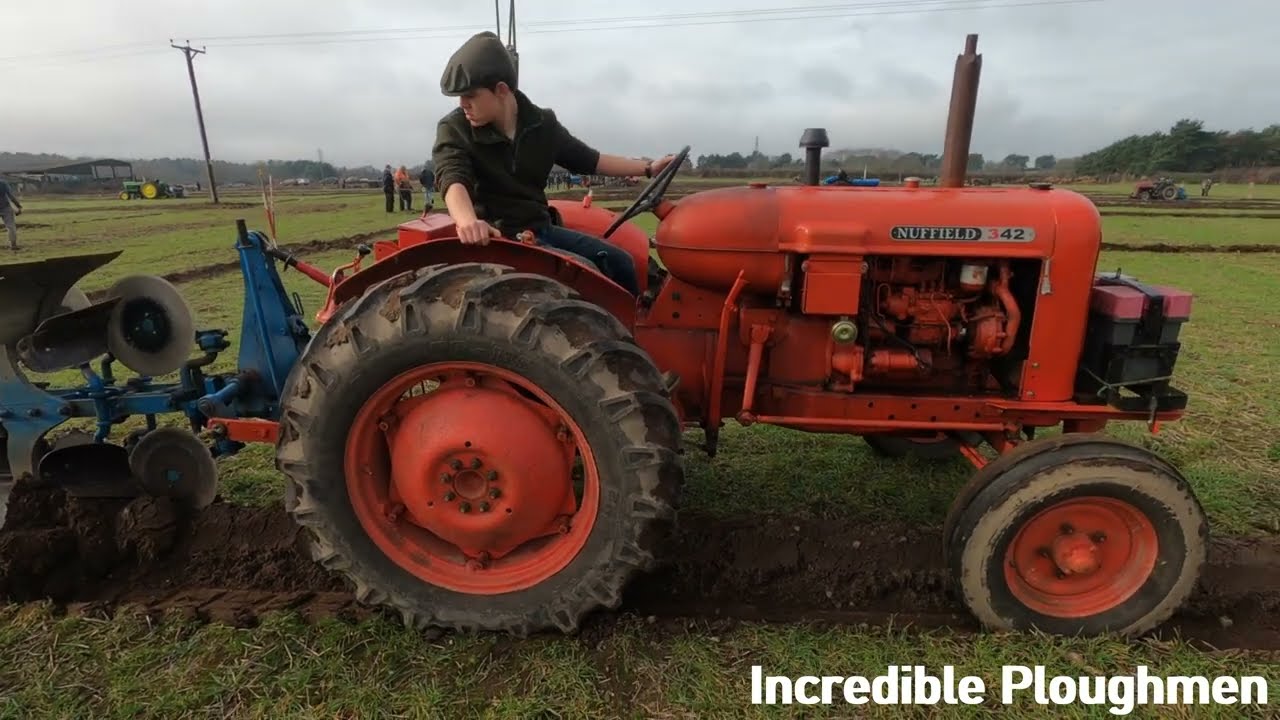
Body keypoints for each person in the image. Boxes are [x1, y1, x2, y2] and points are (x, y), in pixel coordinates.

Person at [431, 31, 675, 295]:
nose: (463, 104)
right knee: (586, 275)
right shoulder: (455, 127)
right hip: (497, 237)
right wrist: (468, 221)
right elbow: (452, 176)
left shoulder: (541, 124)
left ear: (501, 90)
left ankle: (631, 328)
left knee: (620, 262)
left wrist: (649, 168)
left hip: (539, 228)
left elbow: (590, 160)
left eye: (470, 95)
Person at [0, 177, 22, 251]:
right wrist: (18, 206)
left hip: (5, 207)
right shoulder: (3, 183)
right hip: (5, 207)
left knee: (11, 227)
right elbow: (10, 196)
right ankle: (13, 245)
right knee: (11, 226)